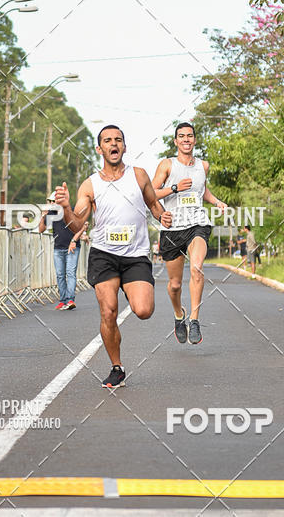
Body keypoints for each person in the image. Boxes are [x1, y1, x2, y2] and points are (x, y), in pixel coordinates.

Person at [55, 125, 171, 389]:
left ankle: (131, 287)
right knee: (108, 311)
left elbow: (153, 203)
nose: (113, 143)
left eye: (118, 139)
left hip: (135, 255)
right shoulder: (90, 185)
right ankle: (117, 367)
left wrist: (162, 216)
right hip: (104, 255)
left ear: (124, 147)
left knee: (143, 310)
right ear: (100, 149)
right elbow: (77, 223)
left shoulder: (139, 175)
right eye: (107, 140)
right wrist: (65, 207)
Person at [152, 122, 227, 346]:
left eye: (190, 136)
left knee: (196, 268)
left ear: (194, 139)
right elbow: (151, 192)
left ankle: (194, 320)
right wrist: (175, 188)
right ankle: (179, 315)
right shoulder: (167, 165)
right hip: (173, 228)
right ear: (176, 141)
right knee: (175, 284)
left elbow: (202, 190)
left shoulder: (203, 166)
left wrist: (216, 201)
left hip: (197, 224)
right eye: (182, 136)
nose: (186, 139)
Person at [39, 191, 87, 310]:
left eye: (53, 201)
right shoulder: (52, 213)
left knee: (70, 273)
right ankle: (63, 300)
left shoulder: (72, 210)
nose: (51, 203)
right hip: (58, 248)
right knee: (60, 275)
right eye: (50, 201)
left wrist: (74, 240)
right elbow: (41, 229)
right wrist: (43, 216)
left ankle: (70, 300)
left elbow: (83, 226)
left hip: (72, 247)